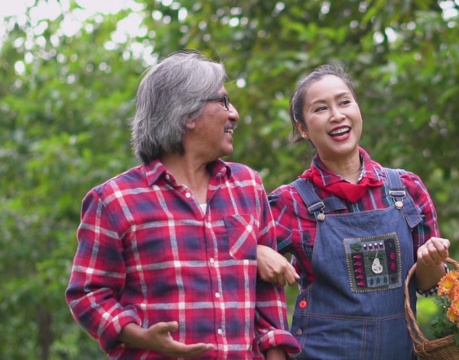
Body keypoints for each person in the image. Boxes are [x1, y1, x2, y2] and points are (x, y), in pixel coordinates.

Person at [65, 51, 300, 360]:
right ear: (187, 114)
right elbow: (88, 294)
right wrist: (142, 337)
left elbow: (268, 297)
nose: (235, 115)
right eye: (223, 102)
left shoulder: (248, 186)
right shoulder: (114, 200)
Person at [256, 64, 451, 359]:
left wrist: (431, 259)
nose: (337, 115)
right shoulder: (290, 202)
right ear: (303, 128)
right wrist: (255, 251)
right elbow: (232, 265)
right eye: (320, 108)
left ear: (358, 110)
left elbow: (429, 283)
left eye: (344, 102)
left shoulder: (407, 189)